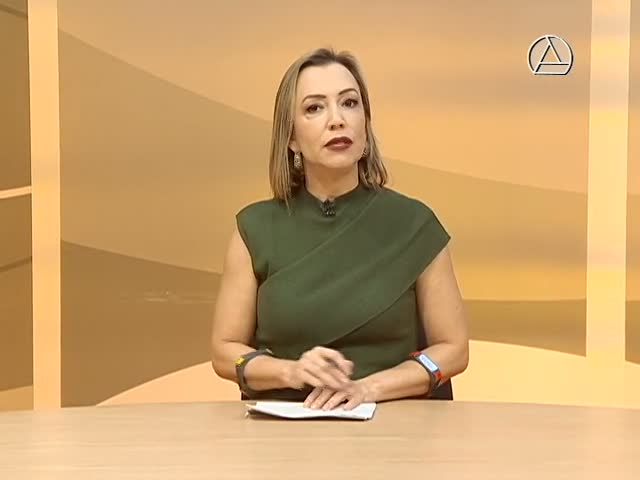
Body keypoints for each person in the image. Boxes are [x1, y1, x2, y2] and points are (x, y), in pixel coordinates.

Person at [211, 47, 469, 411]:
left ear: (366, 122)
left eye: (349, 103)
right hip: (284, 430)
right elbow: (225, 353)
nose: (337, 120)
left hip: (395, 427)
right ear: (291, 137)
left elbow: (453, 351)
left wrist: (369, 388)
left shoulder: (415, 224)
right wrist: (290, 371)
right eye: (315, 108)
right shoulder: (254, 229)